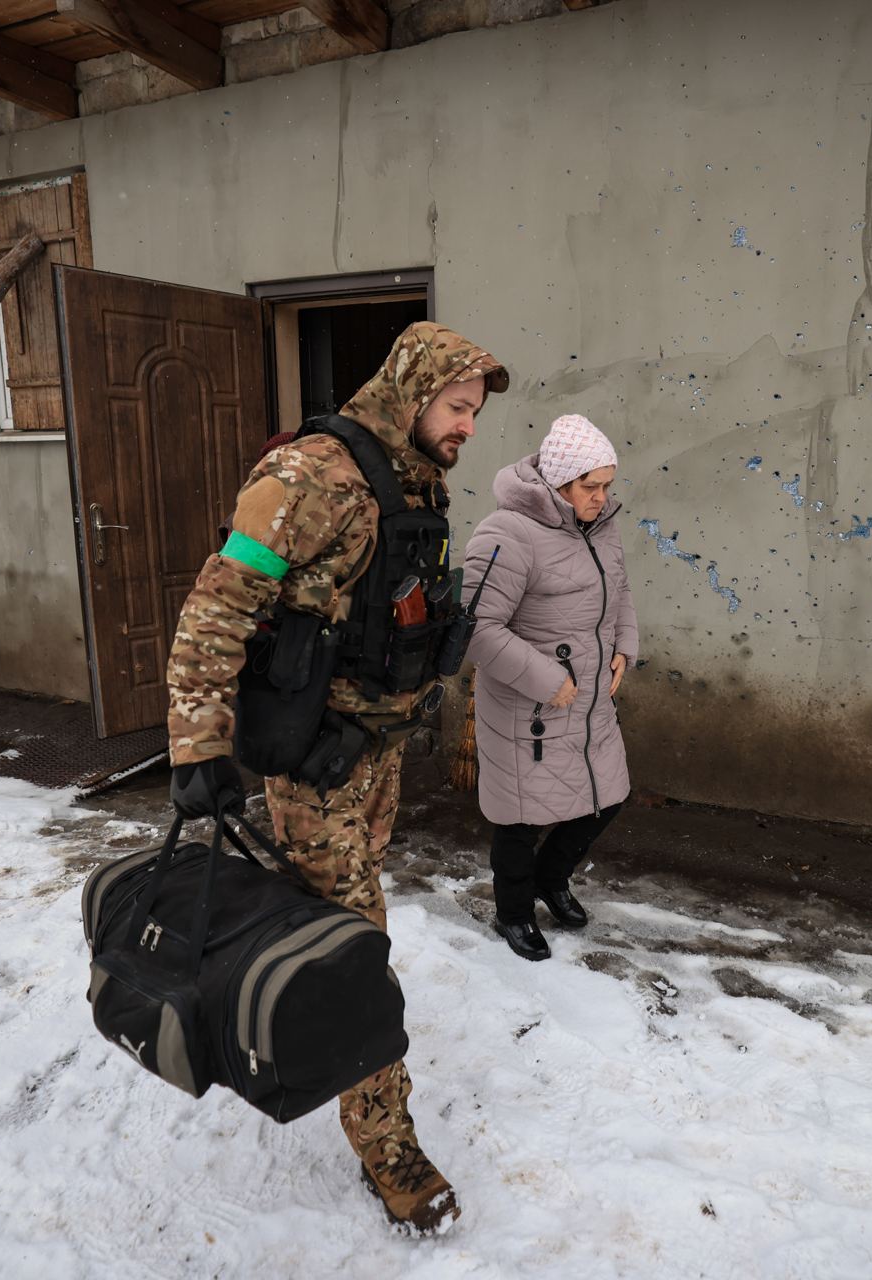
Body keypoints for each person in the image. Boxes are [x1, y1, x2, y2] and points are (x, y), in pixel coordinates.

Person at [165, 322, 508, 1234]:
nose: (469, 425)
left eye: (475, 411)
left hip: (373, 754)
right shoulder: (310, 477)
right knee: (358, 950)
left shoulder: (410, 479)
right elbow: (218, 605)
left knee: (341, 929)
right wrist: (198, 744)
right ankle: (389, 1147)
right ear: (410, 388)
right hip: (316, 769)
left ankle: (298, 1022)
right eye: (459, 406)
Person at [463, 413, 637, 961]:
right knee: (519, 820)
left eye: (608, 485)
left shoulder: (601, 527)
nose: (601, 496)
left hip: (589, 704)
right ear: (558, 483)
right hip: (528, 707)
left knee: (603, 799)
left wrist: (624, 649)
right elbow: (475, 628)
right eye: (591, 486)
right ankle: (512, 913)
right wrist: (546, 679)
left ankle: (549, 879)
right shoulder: (506, 533)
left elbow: (620, 596)